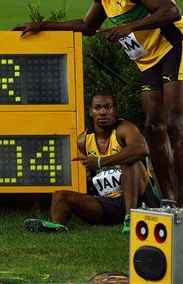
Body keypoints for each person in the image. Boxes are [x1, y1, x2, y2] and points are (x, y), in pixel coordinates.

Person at [13, 0, 183, 209]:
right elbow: (89, 27)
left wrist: (130, 26)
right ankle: (167, 202)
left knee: (175, 120)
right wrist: (42, 26)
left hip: (176, 45)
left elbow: (172, 11)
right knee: (155, 125)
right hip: (148, 59)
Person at [24, 94, 159, 234]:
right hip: (109, 202)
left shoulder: (124, 128)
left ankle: (131, 218)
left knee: (132, 162)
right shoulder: (83, 141)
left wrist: (101, 161)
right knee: (60, 195)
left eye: (108, 107)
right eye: (97, 108)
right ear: (90, 112)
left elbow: (142, 149)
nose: (103, 112)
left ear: (115, 111)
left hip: (140, 199)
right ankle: (56, 226)